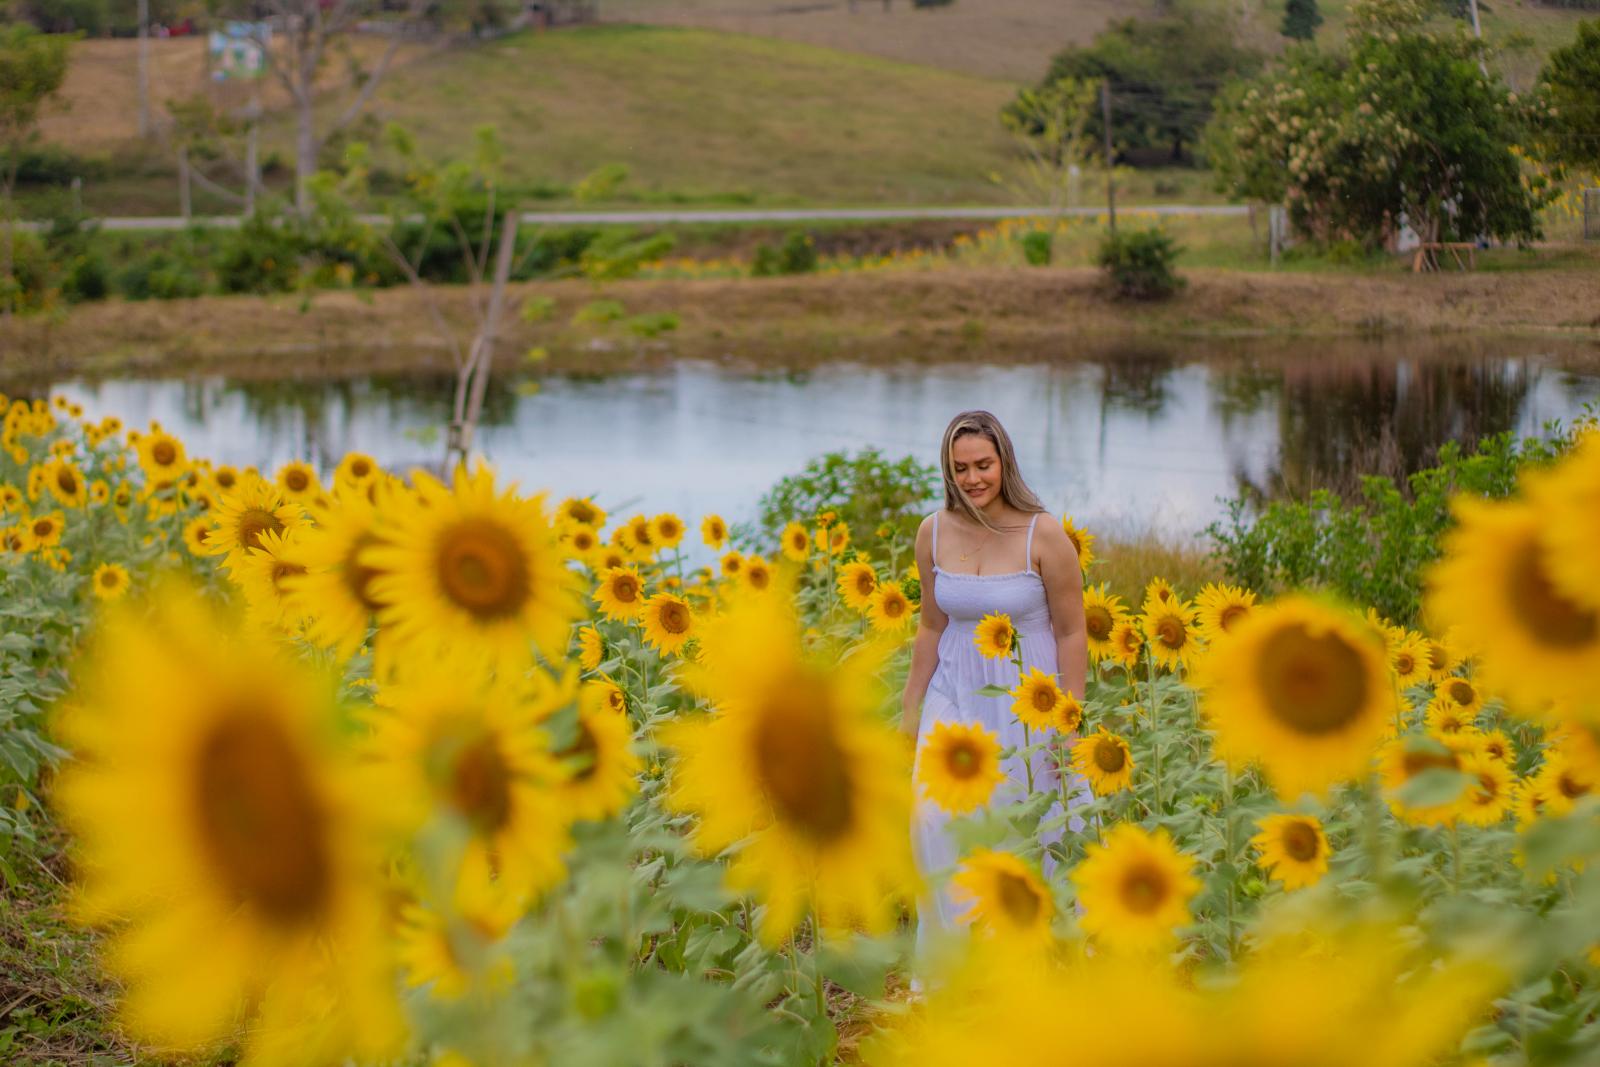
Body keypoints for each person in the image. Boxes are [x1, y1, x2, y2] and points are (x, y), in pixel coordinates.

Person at [900, 409, 1088, 963]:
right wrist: (910, 711)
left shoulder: (1043, 533)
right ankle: (950, 965)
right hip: (953, 693)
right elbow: (932, 625)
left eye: (983, 465)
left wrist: (1069, 723)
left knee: (1030, 825)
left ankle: (1035, 957)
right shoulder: (932, 532)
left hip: (1026, 700)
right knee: (932, 820)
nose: (973, 479)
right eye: (961, 469)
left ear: (1004, 461)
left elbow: (1072, 631)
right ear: (948, 471)